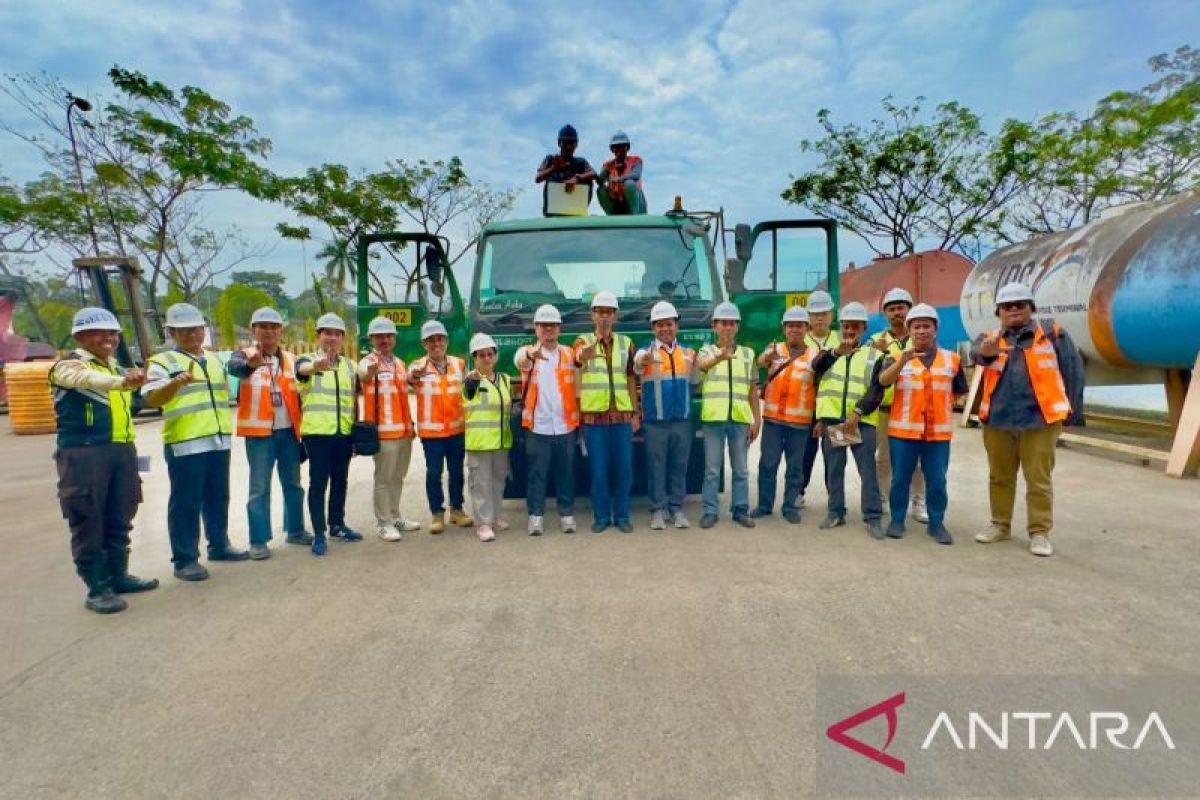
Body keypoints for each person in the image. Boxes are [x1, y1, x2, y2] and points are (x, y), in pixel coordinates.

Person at [50, 307, 157, 613]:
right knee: (87, 518)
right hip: (84, 453)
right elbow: (87, 379)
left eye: (112, 333)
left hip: (122, 450)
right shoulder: (67, 367)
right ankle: (97, 588)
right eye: (99, 333)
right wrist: (124, 381)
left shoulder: (116, 368)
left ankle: (118, 575)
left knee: (121, 513)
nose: (108, 338)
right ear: (80, 336)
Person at [971, 282, 1085, 557]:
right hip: (998, 421)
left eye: (1019, 305)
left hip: (1040, 421)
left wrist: (1073, 413)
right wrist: (985, 354)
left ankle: (1039, 532)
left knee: (1039, 480)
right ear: (998, 311)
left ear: (1030, 308)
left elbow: (1073, 370)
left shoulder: (1053, 334)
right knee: (999, 477)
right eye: (1007, 306)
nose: (1013, 310)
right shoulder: (988, 338)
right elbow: (975, 355)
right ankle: (1000, 525)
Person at [143, 303, 248, 581]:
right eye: (185, 330)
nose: (193, 335)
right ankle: (185, 559)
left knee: (218, 496)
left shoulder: (213, 360)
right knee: (186, 501)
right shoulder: (162, 362)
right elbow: (152, 398)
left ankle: (219, 544)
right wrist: (174, 383)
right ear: (171, 332)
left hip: (217, 439)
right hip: (186, 441)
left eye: (197, 329)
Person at [877, 304, 968, 545]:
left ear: (935, 329)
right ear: (910, 330)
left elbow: (959, 390)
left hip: (937, 435)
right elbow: (883, 382)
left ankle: (936, 524)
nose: (921, 331)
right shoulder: (896, 358)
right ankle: (897, 520)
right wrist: (901, 363)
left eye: (926, 326)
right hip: (903, 432)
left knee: (937, 480)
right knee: (900, 479)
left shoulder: (952, 359)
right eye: (916, 326)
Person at [227, 306, 308, 560]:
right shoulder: (244, 355)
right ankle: (258, 540)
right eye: (263, 327)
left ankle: (295, 530)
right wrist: (250, 365)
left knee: (293, 484)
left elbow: (304, 371)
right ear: (254, 330)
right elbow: (236, 368)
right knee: (259, 488)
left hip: (289, 432)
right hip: (260, 434)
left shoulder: (291, 359)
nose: (269, 331)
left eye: (274, 327)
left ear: (280, 331)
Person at [810, 302, 886, 539]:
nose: (850, 331)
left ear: (863, 327)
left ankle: (872, 517)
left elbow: (877, 389)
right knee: (834, 469)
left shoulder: (875, 356)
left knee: (867, 471)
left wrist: (858, 412)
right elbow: (816, 369)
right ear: (840, 327)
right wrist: (836, 353)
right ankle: (835, 512)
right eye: (846, 326)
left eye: (855, 326)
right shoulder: (830, 353)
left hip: (860, 422)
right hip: (835, 421)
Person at [296, 313, 363, 556]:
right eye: (327, 333)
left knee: (340, 481)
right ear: (318, 336)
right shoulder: (307, 360)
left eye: (337, 334)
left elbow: (357, 391)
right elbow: (301, 371)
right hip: (317, 435)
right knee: (318, 484)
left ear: (343, 338)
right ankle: (319, 533)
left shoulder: (349, 366)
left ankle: (337, 525)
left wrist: (355, 433)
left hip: (343, 433)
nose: (332, 338)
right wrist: (315, 367)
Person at [574, 291, 638, 533]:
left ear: (615, 316)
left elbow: (631, 379)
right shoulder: (582, 340)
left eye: (608, 312)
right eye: (600, 312)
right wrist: (585, 354)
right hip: (594, 420)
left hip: (621, 418)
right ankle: (601, 517)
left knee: (625, 470)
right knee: (599, 471)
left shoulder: (626, 343)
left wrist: (635, 411)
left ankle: (622, 516)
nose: (604, 317)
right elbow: (579, 358)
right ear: (592, 315)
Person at [515, 304, 580, 535]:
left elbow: (581, 364)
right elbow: (520, 361)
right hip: (538, 425)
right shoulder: (527, 352)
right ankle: (535, 516)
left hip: (565, 424)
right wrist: (531, 354)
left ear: (559, 328)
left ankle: (567, 515)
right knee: (537, 473)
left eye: (552, 325)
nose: (548, 329)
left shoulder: (569, 353)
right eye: (544, 325)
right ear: (536, 328)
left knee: (566, 472)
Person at [696, 301, 761, 529]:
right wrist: (719, 358)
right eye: (723, 323)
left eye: (732, 323)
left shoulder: (748, 354)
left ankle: (740, 510)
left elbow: (753, 389)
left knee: (741, 469)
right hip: (714, 419)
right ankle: (710, 511)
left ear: (737, 327)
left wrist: (757, 419)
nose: (727, 327)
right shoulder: (706, 351)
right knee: (712, 469)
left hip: (740, 419)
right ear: (715, 326)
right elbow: (702, 365)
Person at [751, 305, 818, 524]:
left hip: (800, 422)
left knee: (795, 467)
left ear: (807, 328)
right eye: (790, 326)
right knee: (768, 464)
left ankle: (789, 506)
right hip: (773, 420)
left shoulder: (815, 355)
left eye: (799, 326)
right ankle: (764, 505)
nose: (794, 330)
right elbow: (759, 363)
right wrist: (766, 357)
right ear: (784, 328)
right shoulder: (775, 348)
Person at [634, 301, 697, 530]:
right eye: (659, 325)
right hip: (655, 422)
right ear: (653, 328)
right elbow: (638, 363)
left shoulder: (689, 354)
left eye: (669, 324)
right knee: (656, 466)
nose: (665, 329)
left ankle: (677, 508)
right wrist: (643, 360)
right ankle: (658, 510)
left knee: (679, 466)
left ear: (676, 325)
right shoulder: (646, 351)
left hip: (682, 420)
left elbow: (696, 382)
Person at [868, 288, 929, 523]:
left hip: (913, 407)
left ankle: (918, 500)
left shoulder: (920, 337)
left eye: (900, 308)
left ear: (909, 309)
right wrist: (878, 353)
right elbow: (871, 375)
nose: (896, 313)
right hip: (885, 408)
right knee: (883, 457)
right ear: (885, 313)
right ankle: (883, 497)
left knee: (915, 458)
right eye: (891, 309)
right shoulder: (877, 340)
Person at [358, 316, 420, 542]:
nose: (384, 339)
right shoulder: (367, 362)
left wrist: (410, 427)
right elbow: (363, 375)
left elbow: (405, 394)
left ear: (394, 338)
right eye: (379, 336)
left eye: (388, 335)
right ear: (371, 339)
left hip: (404, 432)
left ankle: (395, 517)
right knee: (383, 479)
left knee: (398, 477)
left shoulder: (400, 363)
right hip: (383, 433)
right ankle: (383, 523)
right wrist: (371, 372)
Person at [409, 320, 473, 533]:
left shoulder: (459, 364)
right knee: (433, 473)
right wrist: (415, 375)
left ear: (446, 341)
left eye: (439, 339)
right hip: (432, 433)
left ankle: (457, 510)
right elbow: (411, 378)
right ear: (424, 344)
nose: (436, 344)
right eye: (430, 341)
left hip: (456, 430)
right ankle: (437, 514)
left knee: (456, 472)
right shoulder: (418, 366)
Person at [463, 333, 514, 542]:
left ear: (495, 356)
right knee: (481, 483)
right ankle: (483, 523)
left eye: (489, 354)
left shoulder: (504, 379)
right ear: (474, 358)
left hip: (501, 441)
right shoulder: (470, 381)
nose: (486, 358)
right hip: (480, 442)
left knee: (497, 481)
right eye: (481, 355)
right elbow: (468, 392)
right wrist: (472, 382)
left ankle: (495, 517)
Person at [798, 289, 840, 507]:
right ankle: (799, 492)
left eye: (824, 312)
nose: (820, 317)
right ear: (809, 317)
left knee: (836, 456)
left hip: (837, 409)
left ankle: (835, 498)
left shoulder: (842, 339)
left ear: (831, 315)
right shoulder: (801, 340)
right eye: (815, 314)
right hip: (808, 407)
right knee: (805, 451)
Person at [535, 124, 597, 216]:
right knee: (551, 180)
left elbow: (594, 174)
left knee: (588, 180)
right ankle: (551, 214)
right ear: (559, 143)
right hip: (553, 211)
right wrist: (553, 168)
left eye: (571, 143)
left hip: (575, 210)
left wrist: (577, 178)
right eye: (565, 143)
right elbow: (538, 178)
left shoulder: (581, 162)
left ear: (576, 145)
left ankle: (578, 212)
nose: (568, 147)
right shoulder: (550, 159)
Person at [597, 131, 646, 215]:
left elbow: (636, 175)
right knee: (600, 190)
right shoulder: (608, 165)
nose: (619, 151)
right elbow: (599, 181)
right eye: (616, 147)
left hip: (636, 203)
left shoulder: (636, 160)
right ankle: (611, 215)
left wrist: (618, 179)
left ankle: (636, 215)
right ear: (612, 150)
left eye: (622, 147)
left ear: (627, 148)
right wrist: (600, 174)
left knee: (629, 183)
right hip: (618, 204)